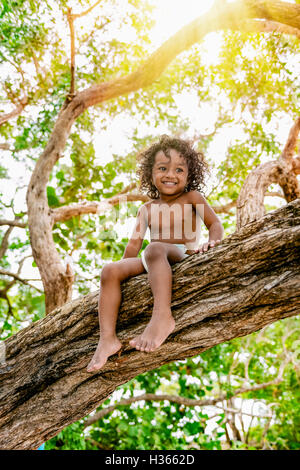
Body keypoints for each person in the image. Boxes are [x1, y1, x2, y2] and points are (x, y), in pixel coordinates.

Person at [87, 135, 224, 372]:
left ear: (189, 176)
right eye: (163, 168)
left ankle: (162, 316)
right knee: (109, 270)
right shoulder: (146, 209)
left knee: (154, 247)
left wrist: (212, 244)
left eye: (179, 170)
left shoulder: (193, 198)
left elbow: (216, 225)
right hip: (153, 258)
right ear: (150, 174)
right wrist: (122, 271)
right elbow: (133, 247)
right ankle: (107, 339)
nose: (170, 174)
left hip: (184, 254)